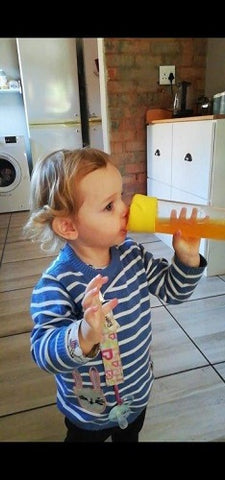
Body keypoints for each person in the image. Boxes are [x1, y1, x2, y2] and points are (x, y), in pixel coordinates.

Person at [24, 147, 207, 443]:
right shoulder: (56, 283)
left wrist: (186, 260)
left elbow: (173, 292)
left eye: (120, 196)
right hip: (87, 412)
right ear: (69, 226)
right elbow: (44, 354)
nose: (125, 208)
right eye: (109, 206)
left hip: (135, 397)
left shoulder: (133, 255)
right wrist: (82, 334)